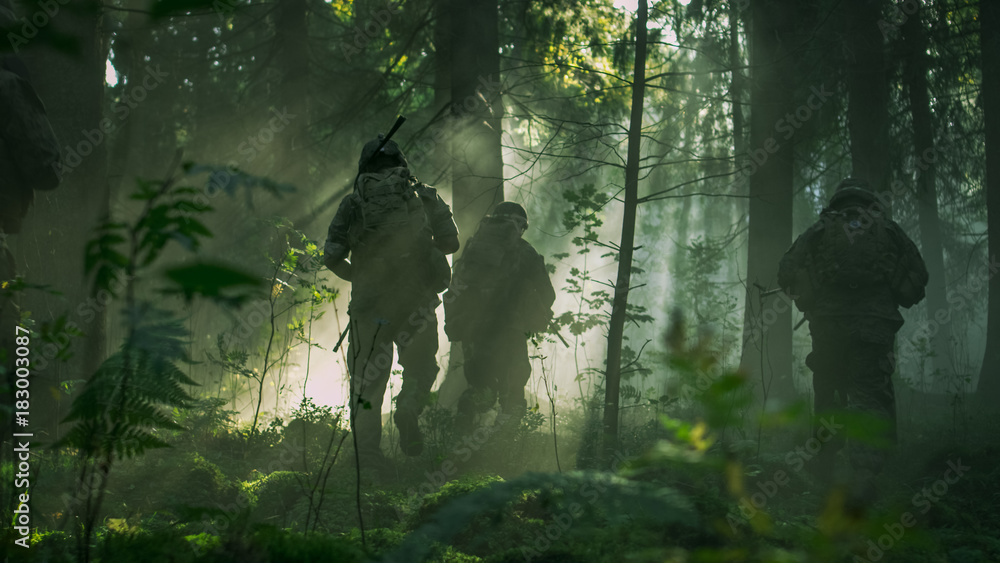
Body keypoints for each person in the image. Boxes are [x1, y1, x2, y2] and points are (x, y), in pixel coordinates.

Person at [778, 178, 928, 486]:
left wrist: (811, 292)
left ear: (838, 200)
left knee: (828, 391)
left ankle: (825, 467)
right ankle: (865, 473)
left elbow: (786, 270)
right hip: (874, 328)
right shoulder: (888, 230)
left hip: (828, 327)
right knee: (869, 394)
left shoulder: (820, 230)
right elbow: (919, 274)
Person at [324, 136, 458, 468]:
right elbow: (450, 242)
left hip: (369, 308)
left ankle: (368, 458)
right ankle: (408, 407)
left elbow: (331, 255)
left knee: (367, 383)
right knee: (421, 367)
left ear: (364, 165)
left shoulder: (353, 203)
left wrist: (362, 277)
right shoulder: (424, 195)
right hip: (416, 302)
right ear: (401, 162)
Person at [444, 202, 555, 430]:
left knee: (480, 387)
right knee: (513, 386)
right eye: (522, 225)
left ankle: (461, 431)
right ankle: (506, 440)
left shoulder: (474, 248)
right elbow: (547, 293)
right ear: (517, 223)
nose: (521, 231)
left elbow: (457, 288)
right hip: (509, 330)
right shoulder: (523, 250)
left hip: (473, 329)